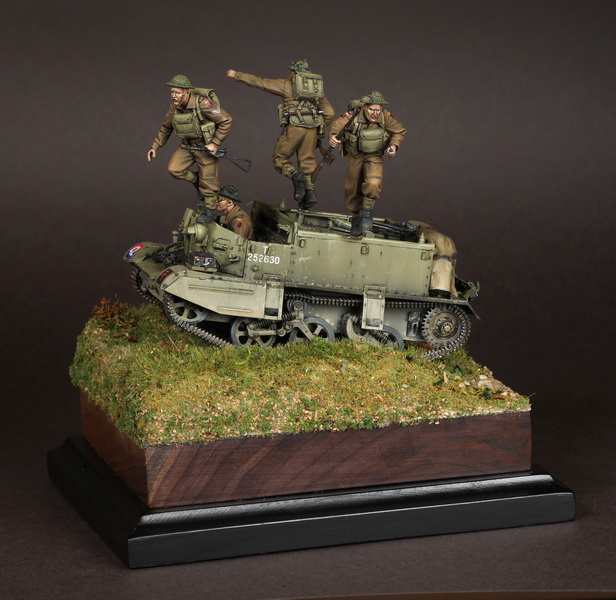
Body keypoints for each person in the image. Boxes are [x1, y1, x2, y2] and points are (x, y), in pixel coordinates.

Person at [226, 60, 334, 209]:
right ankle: (310, 192)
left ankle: (295, 176)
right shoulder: (316, 90)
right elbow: (330, 113)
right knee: (307, 162)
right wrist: (317, 127)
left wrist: (237, 75)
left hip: (295, 127)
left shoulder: (286, 84)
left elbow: (261, 82)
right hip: (312, 129)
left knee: (280, 159)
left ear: (294, 73)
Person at [147, 74, 232, 224]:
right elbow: (166, 127)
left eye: (177, 93)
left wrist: (215, 143)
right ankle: (196, 179)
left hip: (204, 147)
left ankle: (210, 210)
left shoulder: (203, 103)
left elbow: (226, 120)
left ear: (186, 92)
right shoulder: (175, 106)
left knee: (209, 180)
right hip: (186, 146)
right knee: (174, 169)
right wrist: (155, 146)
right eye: (172, 92)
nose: (174, 96)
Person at [329, 91, 407, 238]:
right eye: (371, 109)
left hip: (374, 155)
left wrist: (394, 145)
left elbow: (399, 131)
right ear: (365, 107)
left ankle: (367, 211)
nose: (375, 113)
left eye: (378, 109)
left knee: (374, 183)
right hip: (355, 156)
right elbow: (337, 124)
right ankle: (356, 218)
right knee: (352, 188)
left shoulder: (385, 117)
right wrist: (333, 135)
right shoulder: (353, 116)